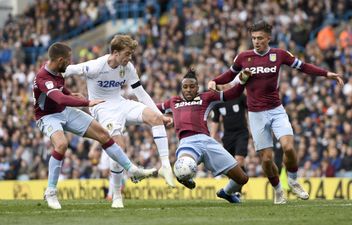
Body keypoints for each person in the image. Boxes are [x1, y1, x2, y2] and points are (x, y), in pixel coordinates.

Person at [208, 20, 344, 204]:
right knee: (266, 159)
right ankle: (279, 190)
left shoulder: (279, 55)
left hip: (276, 110)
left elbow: (303, 66)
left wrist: (327, 74)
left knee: (288, 146)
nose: (256, 41)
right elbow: (229, 75)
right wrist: (214, 81)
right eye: (254, 38)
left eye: (260, 38)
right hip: (256, 115)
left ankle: (293, 181)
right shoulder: (243, 57)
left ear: (268, 38)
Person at [33, 42, 157, 210]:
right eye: (68, 60)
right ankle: (51, 192)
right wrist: (87, 102)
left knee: (104, 135)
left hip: (65, 111)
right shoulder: (43, 77)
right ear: (60, 59)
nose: (70, 62)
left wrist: (70, 93)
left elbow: (60, 89)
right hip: (47, 116)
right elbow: (59, 98)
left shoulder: (56, 70)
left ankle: (132, 170)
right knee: (61, 144)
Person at [63, 34, 175, 208]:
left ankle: (166, 166)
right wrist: (50, 80)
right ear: (115, 53)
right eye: (127, 53)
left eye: (130, 54)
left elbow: (141, 93)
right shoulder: (96, 66)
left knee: (155, 119)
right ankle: (116, 195)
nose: (129, 57)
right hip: (102, 108)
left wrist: (159, 113)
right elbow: (69, 70)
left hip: (121, 103)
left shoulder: (128, 67)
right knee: (118, 147)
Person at [157, 68, 249, 203]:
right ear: (181, 88)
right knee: (183, 166)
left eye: (192, 87)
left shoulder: (207, 97)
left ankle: (226, 193)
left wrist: (242, 82)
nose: (188, 90)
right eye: (185, 87)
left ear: (197, 88)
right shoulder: (173, 102)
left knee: (242, 179)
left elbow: (232, 94)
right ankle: (183, 177)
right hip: (187, 143)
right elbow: (153, 108)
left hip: (207, 142)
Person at [210, 91, 249, 197]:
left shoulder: (239, 95)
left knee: (239, 160)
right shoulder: (218, 101)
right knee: (230, 167)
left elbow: (250, 110)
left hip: (241, 133)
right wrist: (212, 138)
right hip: (227, 137)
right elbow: (215, 120)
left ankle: (237, 192)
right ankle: (233, 189)